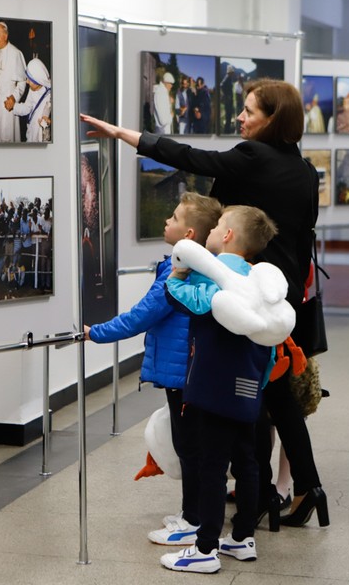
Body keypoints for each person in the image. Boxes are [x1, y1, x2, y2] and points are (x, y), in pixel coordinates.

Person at [81, 77, 326, 530]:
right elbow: (304, 234)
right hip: (285, 294)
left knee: (244, 398)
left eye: (249, 111)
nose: (240, 116)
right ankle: (300, 488)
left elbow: (189, 158)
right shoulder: (305, 171)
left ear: (273, 119)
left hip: (240, 292)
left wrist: (123, 134)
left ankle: (248, 501)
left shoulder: (252, 158)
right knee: (276, 396)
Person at [84, 192, 222, 548]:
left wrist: (94, 333)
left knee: (188, 448)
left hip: (182, 376)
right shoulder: (198, 267)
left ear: (189, 234)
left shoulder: (179, 273)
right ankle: (192, 514)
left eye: (174, 217)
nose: (166, 221)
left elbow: (142, 315)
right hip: (187, 373)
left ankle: (193, 521)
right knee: (190, 447)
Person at [160, 205, 278, 573]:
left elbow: (192, 302)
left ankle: (206, 547)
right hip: (248, 388)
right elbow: (271, 345)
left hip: (213, 387)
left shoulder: (216, 275)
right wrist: (258, 385)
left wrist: (176, 276)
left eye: (219, 225)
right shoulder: (261, 282)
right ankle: (242, 537)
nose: (211, 229)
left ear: (227, 236)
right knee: (247, 461)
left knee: (212, 467)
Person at [6, 58, 52, 142]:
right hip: (31, 133)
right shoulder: (33, 89)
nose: (27, 82)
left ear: (38, 80)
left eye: (29, 79)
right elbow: (27, 108)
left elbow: (48, 109)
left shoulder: (50, 96)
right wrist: (13, 106)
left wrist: (49, 122)